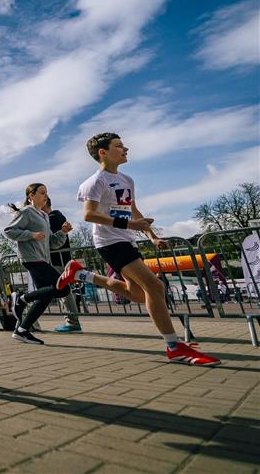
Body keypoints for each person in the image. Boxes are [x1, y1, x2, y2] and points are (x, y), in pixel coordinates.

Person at [57, 132, 220, 366]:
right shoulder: (95, 182)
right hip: (109, 242)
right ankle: (174, 346)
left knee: (137, 295)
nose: (126, 149)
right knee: (155, 286)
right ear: (103, 152)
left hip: (127, 240)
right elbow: (89, 215)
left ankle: (80, 274)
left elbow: (134, 210)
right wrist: (130, 225)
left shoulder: (127, 180)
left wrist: (151, 236)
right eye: (119, 146)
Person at [4, 184, 73, 344]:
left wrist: (62, 232)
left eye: (46, 193)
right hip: (31, 258)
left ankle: (22, 330)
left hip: (43, 258)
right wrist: (31, 235)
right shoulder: (27, 212)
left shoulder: (44, 216)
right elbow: (9, 231)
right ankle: (22, 299)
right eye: (42, 193)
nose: (45, 196)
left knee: (46, 296)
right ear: (31, 196)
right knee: (63, 287)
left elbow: (52, 243)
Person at [42, 198, 82, 333]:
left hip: (56, 260)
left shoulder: (52, 219)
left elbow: (52, 242)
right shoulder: (56, 217)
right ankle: (72, 321)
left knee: (63, 290)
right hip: (59, 259)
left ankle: (72, 322)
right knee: (62, 289)